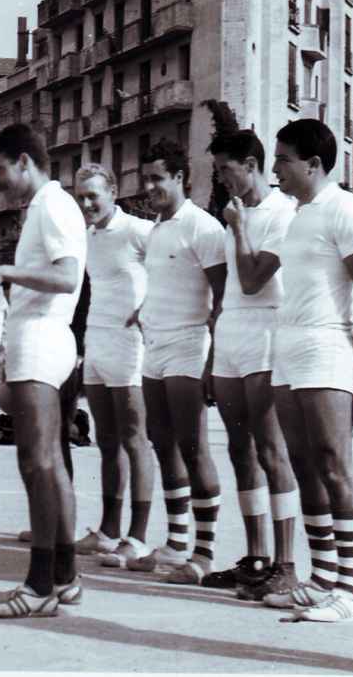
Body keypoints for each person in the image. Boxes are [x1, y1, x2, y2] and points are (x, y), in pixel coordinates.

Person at [266, 118, 353, 622]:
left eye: (284, 160)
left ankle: (352, 592)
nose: (277, 170)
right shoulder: (297, 215)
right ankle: (322, 578)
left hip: (327, 347)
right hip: (289, 347)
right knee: (303, 465)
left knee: (335, 464)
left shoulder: (348, 210)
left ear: (314, 164)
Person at [0, 123, 87, 618]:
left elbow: (67, 276)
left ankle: (39, 586)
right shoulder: (43, 208)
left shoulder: (52, 205)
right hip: (36, 340)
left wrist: (5, 272)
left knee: (38, 464)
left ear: (24, 161)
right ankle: (64, 577)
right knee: (50, 463)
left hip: (43, 342)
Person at [201, 129, 301, 599]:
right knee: (240, 449)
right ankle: (256, 556)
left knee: (270, 449)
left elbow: (255, 279)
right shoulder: (230, 218)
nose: (221, 178)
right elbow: (227, 291)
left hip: (266, 329)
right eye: (218, 170)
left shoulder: (282, 212)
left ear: (251, 163)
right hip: (231, 333)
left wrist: (239, 229)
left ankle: (286, 563)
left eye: (227, 168)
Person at [128, 140, 226, 584]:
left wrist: (213, 360)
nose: (150, 187)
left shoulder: (203, 227)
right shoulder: (156, 230)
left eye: (158, 179)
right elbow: (165, 282)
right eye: (145, 179)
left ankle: (203, 554)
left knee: (193, 445)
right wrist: (143, 312)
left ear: (180, 179)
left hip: (189, 344)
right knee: (161, 441)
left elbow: (222, 297)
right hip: (155, 345)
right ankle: (176, 543)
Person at [70, 162, 157, 569]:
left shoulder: (140, 230)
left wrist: (148, 311)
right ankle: (108, 531)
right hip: (97, 341)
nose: (87, 203)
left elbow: (174, 272)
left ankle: (137, 537)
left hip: (131, 345)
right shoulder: (85, 237)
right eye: (81, 197)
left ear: (113, 192)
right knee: (105, 441)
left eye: (93, 196)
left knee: (134, 438)